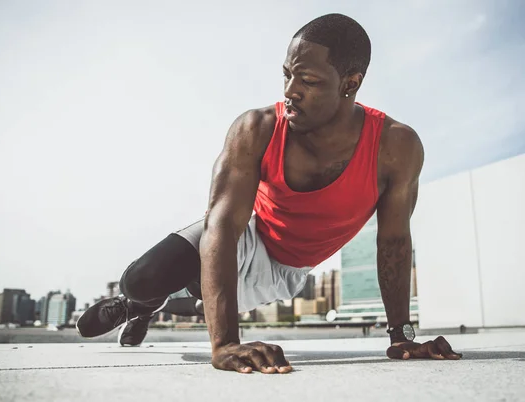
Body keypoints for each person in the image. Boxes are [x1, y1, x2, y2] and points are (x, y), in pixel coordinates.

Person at [76, 13, 462, 373]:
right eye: (287, 75)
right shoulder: (257, 128)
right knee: (142, 279)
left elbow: (393, 241)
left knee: (198, 299)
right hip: (248, 232)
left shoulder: (395, 147)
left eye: (308, 81)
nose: (291, 91)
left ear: (350, 83)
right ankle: (137, 305)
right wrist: (225, 344)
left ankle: (151, 307)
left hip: (288, 270)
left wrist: (402, 337)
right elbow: (221, 228)